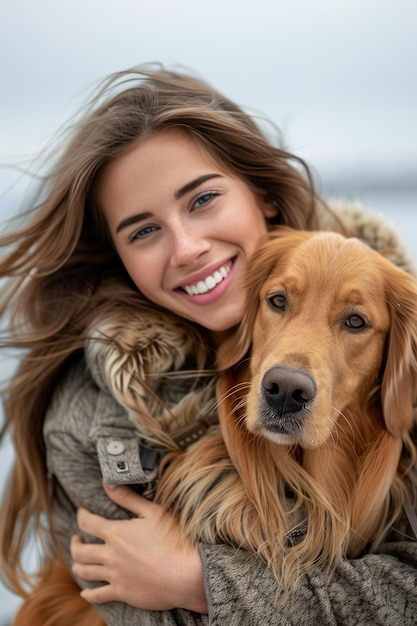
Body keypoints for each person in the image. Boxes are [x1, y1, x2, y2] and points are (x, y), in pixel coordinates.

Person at [0, 64, 416, 626]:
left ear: (263, 196)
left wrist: (202, 580)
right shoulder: (89, 418)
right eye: (144, 230)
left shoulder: (393, 329)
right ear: (119, 255)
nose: (189, 247)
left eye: (202, 200)